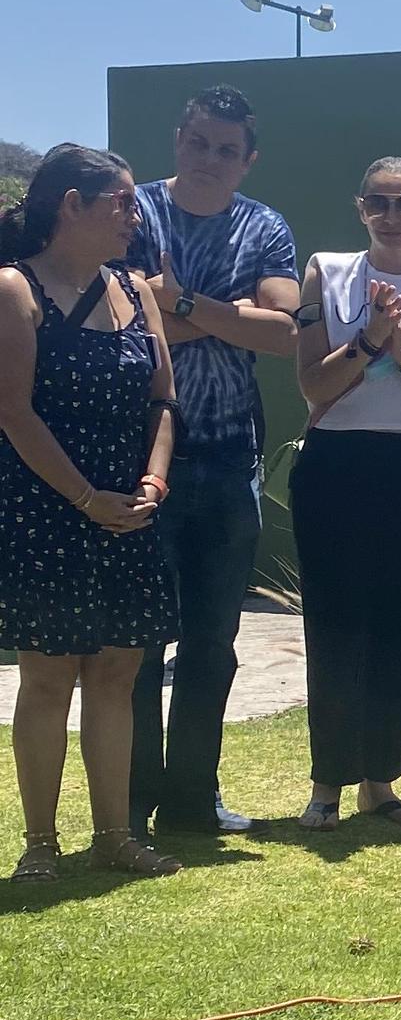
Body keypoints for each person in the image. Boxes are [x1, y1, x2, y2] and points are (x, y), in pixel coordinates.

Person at [0, 146, 180, 879]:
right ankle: (40, 844)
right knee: (48, 680)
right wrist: (84, 498)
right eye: (122, 203)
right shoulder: (14, 288)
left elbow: (163, 402)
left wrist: (153, 482)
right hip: (45, 512)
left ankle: (115, 836)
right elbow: (13, 412)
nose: (135, 217)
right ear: (71, 205)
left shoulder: (136, 291)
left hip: (129, 511)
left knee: (115, 676)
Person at [124, 88, 298, 837]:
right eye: (198, 142)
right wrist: (231, 315)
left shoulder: (264, 226)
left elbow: (286, 331)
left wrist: (183, 302)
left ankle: (192, 801)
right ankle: (131, 802)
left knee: (211, 645)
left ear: (248, 160)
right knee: (136, 645)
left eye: (227, 149)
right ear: (178, 139)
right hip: (137, 460)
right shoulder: (133, 213)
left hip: (230, 461)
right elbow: (124, 321)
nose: (209, 159)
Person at [289, 158, 401, 829]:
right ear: (361, 209)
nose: (393, 215)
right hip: (338, 463)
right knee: (337, 624)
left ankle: (381, 783)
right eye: (379, 203)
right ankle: (327, 784)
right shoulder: (327, 271)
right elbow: (313, 385)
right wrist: (368, 340)